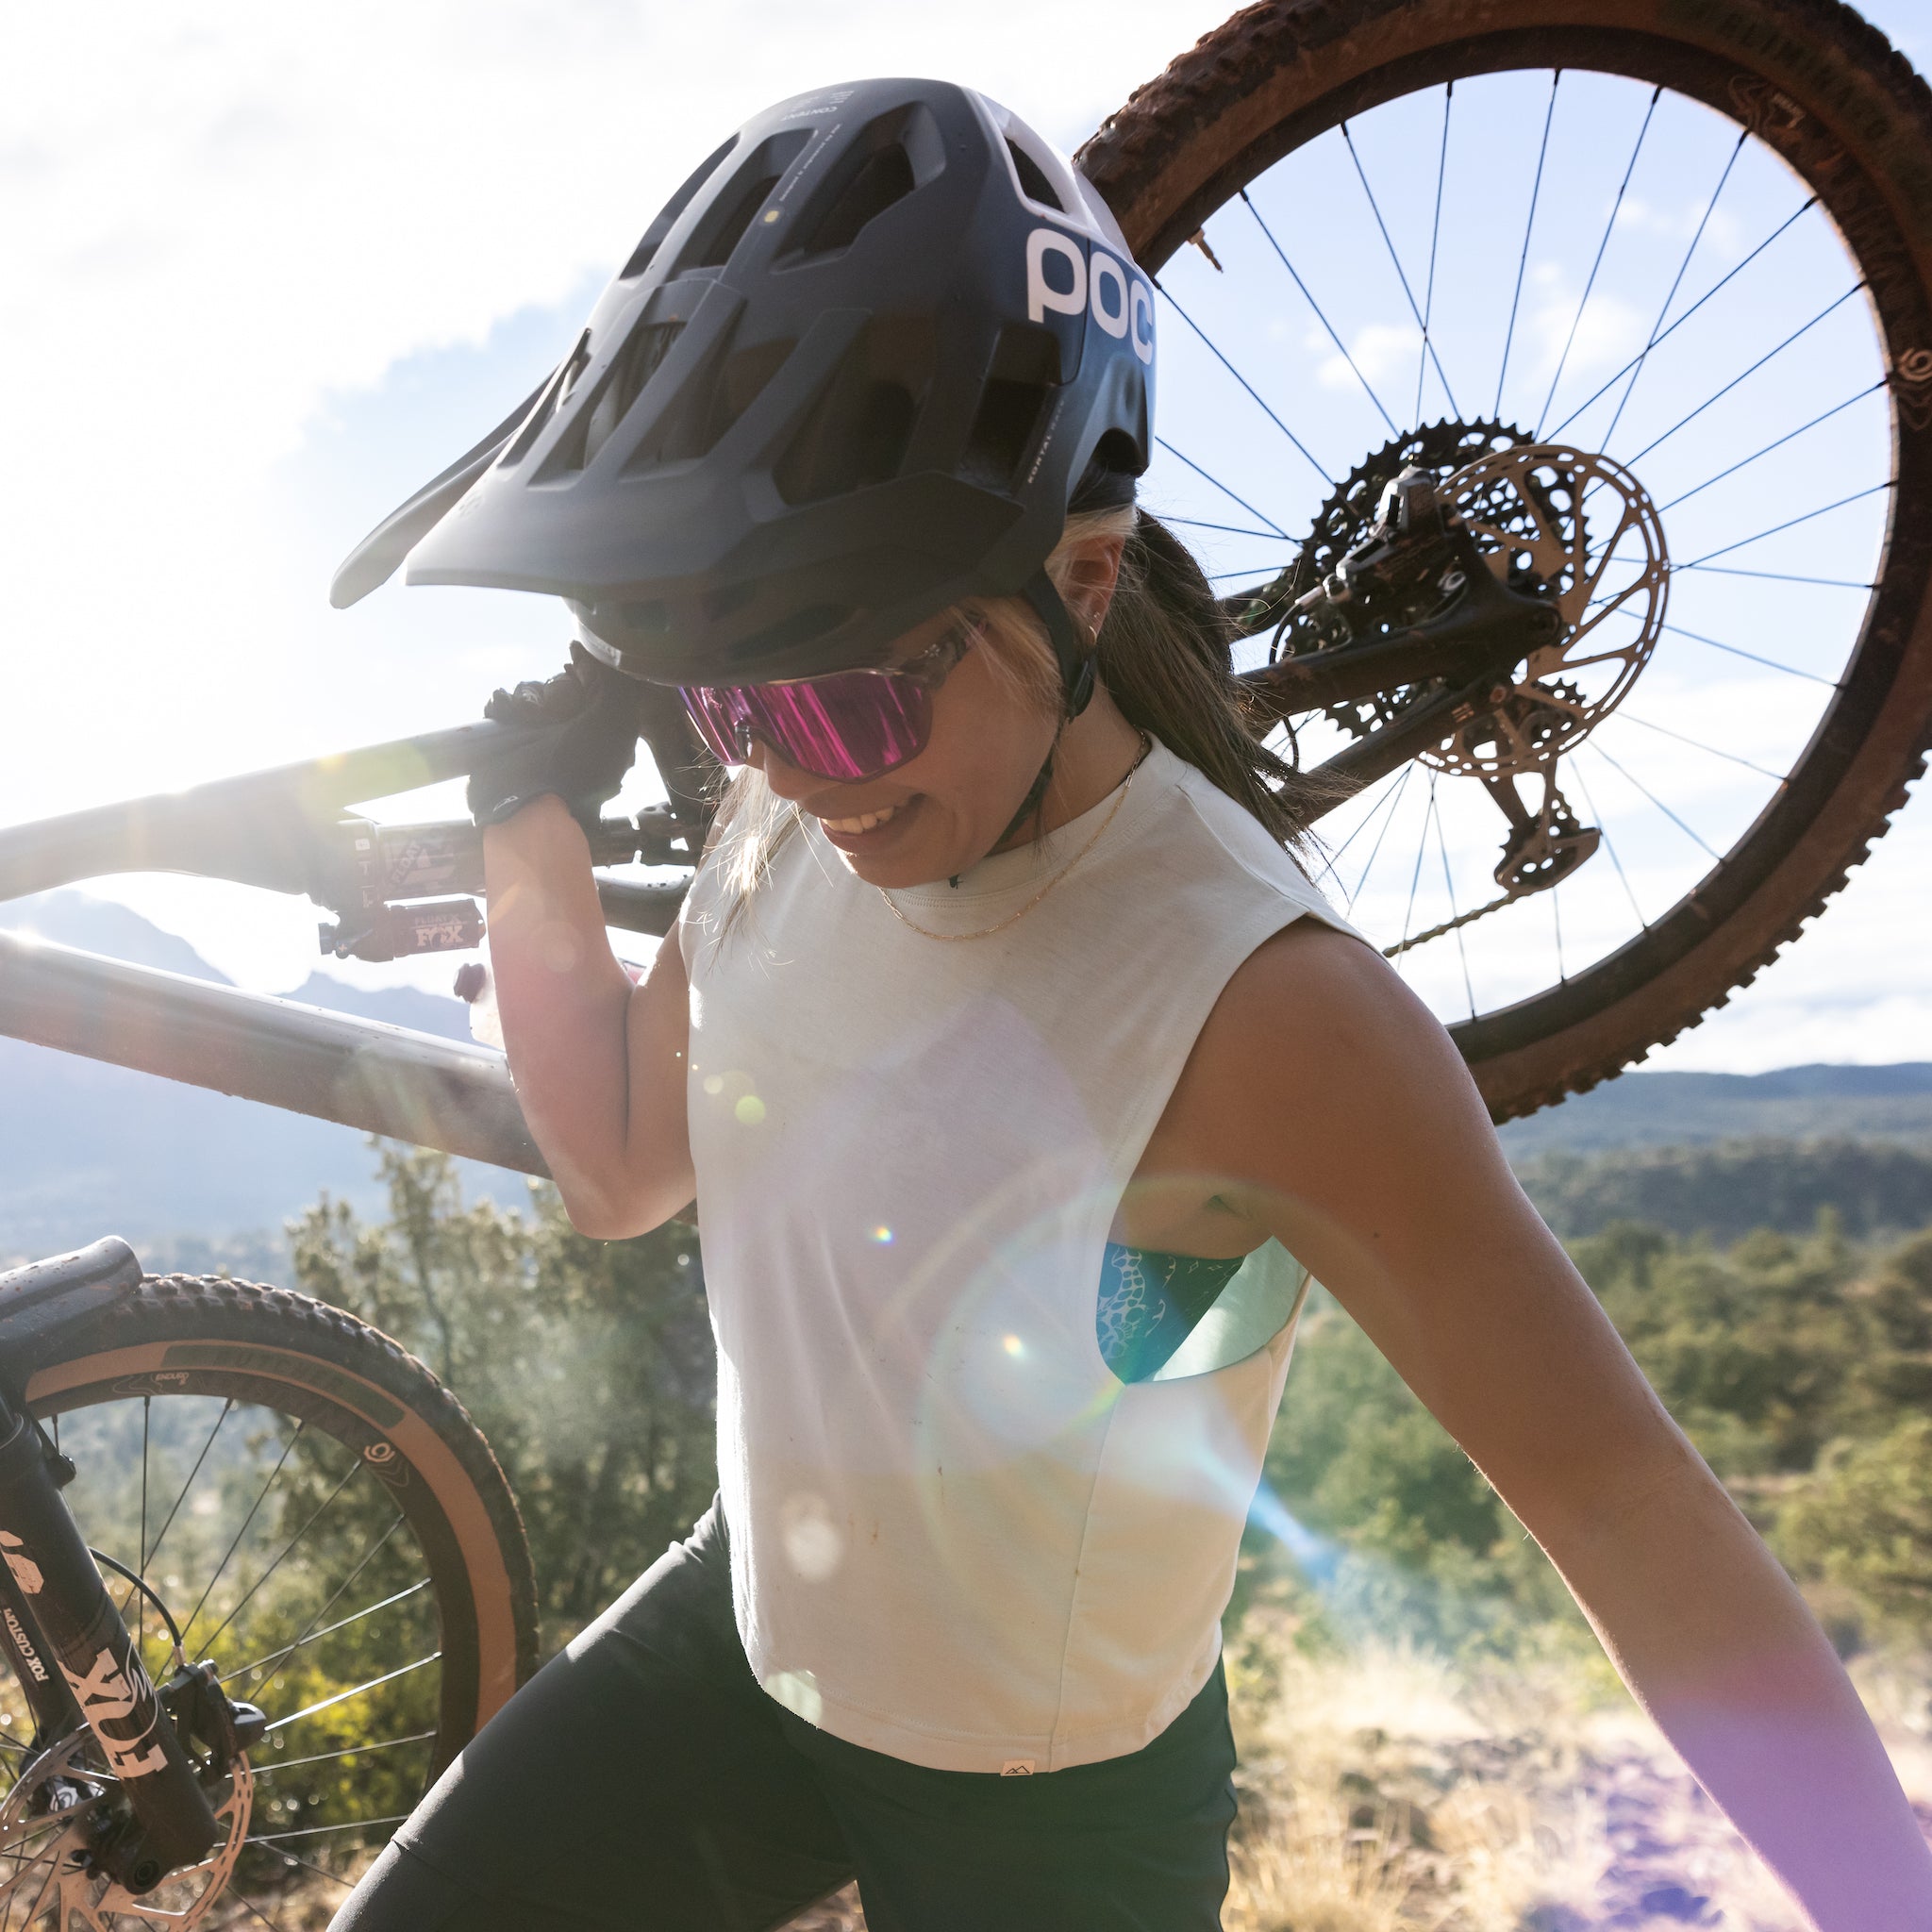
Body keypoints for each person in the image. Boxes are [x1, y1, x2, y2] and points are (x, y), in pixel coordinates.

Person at [326, 79, 1932, 1932]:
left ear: (1076, 582)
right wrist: (529, 828)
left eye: (838, 705)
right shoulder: (793, 797)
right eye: (730, 709)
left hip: (1049, 1806)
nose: (803, 777)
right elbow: (617, 1163)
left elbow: (1634, 1521)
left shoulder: (1263, 1010)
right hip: (753, 1638)